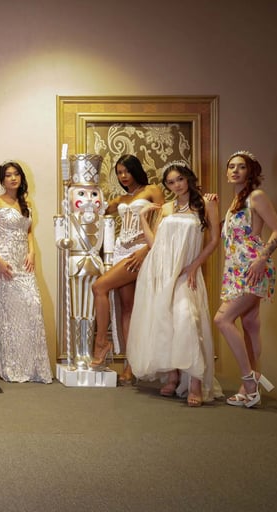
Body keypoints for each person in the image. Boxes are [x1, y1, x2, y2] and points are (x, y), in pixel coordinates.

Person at [127, 162, 221, 407]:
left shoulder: (206, 203)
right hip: (162, 270)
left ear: (188, 178)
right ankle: (172, 376)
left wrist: (194, 265)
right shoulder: (167, 207)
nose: (176, 185)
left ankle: (196, 382)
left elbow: (214, 240)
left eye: (179, 179)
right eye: (170, 182)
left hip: (186, 272)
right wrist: (143, 219)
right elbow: (156, 244)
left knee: (188, 319)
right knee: (165, 321)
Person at [214, 150, 277, 408]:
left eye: (240, 167)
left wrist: (262, 258)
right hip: (236, 269)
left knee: (222, 319)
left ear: (250, 171)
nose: (234, 170)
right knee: (250, 324)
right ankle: (248, 387)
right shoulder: (234, 203)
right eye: (231, 166)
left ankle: (249, 381)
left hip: (253, 267)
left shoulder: (256, 196)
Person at [90, 155, 164, 383]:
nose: (123, 176)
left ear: (135, 171)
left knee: (99, 286)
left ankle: (101, 342)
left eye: (126, 172)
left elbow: (162, 221)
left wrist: (146, 251)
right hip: (122, 251)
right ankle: (129, 367)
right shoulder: (121, 198)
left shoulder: (152, 190)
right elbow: (96, 210)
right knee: (127, 309)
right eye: (119, 173)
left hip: (141, 251)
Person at [0, 161, 52, 383]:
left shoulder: (26, 202)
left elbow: (29, 232)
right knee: (10, 315)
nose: (12, 178)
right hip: (5, 262)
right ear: (2, 180)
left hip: (24, 261)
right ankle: (12, 367)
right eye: (8, 175)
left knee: (33, 306)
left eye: (16, 174)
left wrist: (32, 253)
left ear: (21, 177)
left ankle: (33, 368)